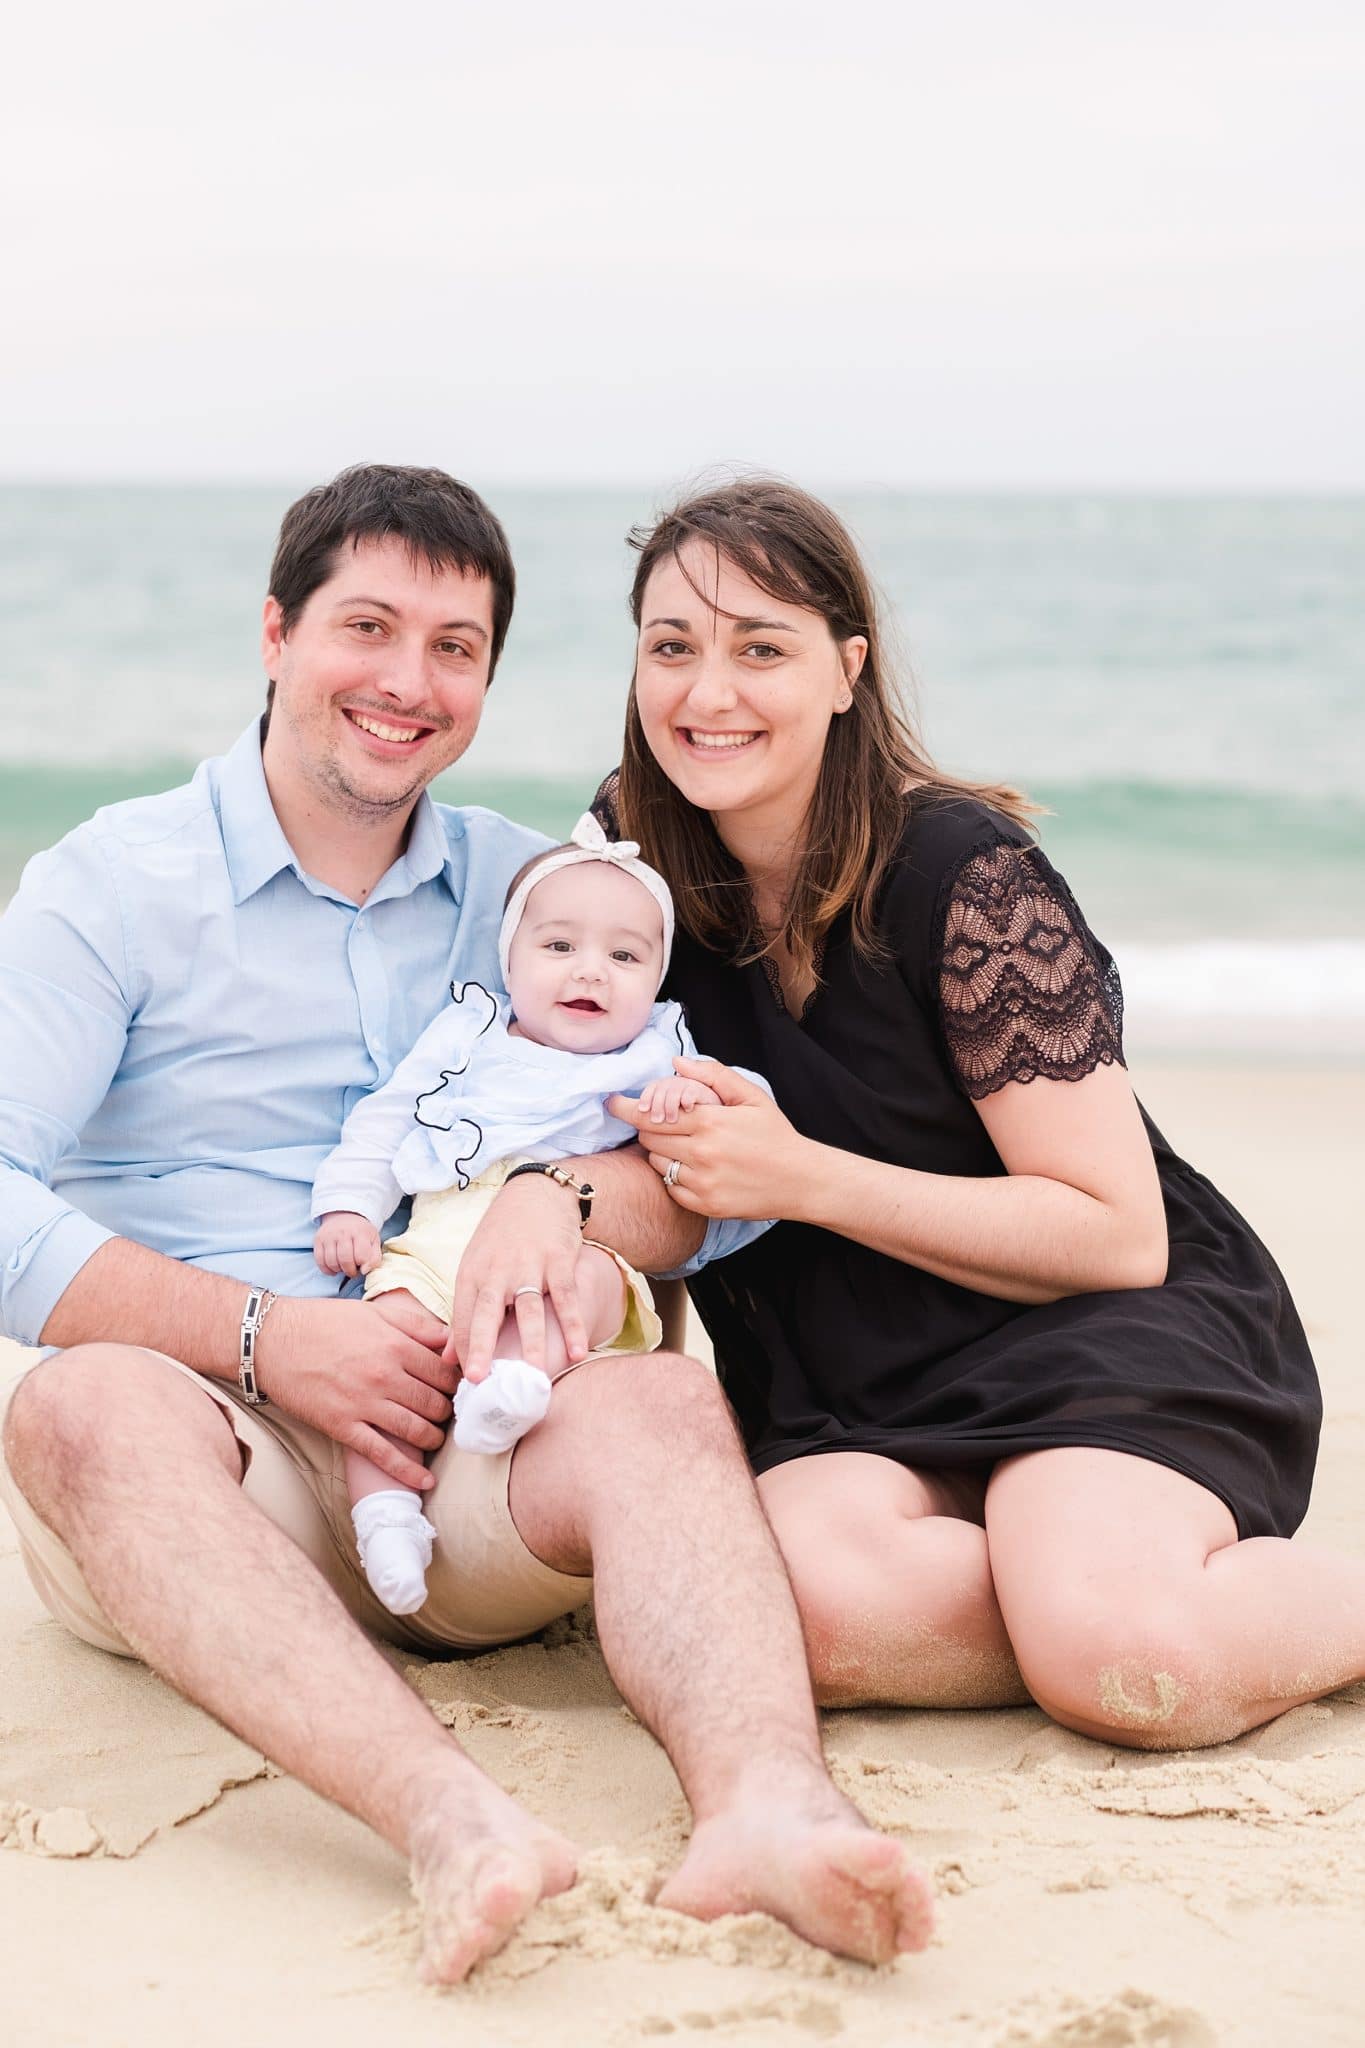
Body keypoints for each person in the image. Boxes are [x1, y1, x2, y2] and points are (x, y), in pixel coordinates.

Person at [0, 464, 934, 1982]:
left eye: (456, 649)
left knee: (650, 1401)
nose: (406, 682)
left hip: (479, 1444)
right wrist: (264, 1337)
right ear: (277, 633)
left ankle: (769, 1812)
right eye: (367, 627)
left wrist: (560, 1204)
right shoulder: (110, 886)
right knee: (81, 1408)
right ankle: (455, 1825)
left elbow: (719, 1186)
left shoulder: (539, 890)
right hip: (208, 1460)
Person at [602, 475, 1364, 1752]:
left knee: (1128, 1655)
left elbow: (1118, 1233)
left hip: (1097, 1334)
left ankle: (1117, 1595)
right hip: (848, 1378)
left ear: (848, 669)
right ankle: (1074, 1578)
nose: (706, 691)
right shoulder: (625, 868)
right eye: (672, 646)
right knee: (813, 1618)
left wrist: (801, 1176)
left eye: (761, 648)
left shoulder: (966, 876)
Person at [312, 812, 750, 1616]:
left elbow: (724, 1117)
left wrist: (687, 1096)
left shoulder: (657, 1047)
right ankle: (384, 1515)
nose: (592, 973)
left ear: (656, 978)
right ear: (509, 960)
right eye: (559, 948)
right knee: (380, 1355)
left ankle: (510, 1381)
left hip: (570, 1237)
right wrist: (349, 1204)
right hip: (442, 1233)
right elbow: (386, 1115)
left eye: (625, 956)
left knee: (580, 1283)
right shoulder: (469, 1031)